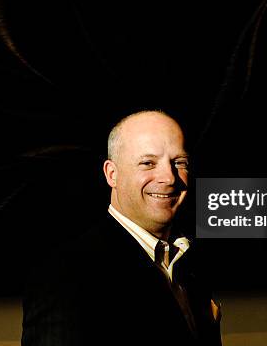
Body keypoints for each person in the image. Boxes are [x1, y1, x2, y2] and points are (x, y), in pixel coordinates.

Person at [22, 110, 222, 346]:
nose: (169, 178)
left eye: (179, 162)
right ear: (112, 174)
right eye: (148, 163)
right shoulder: (67, 274)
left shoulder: (188, 263)